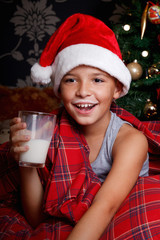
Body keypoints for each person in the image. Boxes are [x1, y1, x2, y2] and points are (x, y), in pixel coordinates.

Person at [9, 13, 149, 239]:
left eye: (98, 80)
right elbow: (37, 219)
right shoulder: (49, 131)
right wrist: (25, 161)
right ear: (59, 89)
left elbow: (106, 207)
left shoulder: (130, 140)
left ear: (117, 89)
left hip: (123, 224)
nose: (83, 91)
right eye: (71, 79)